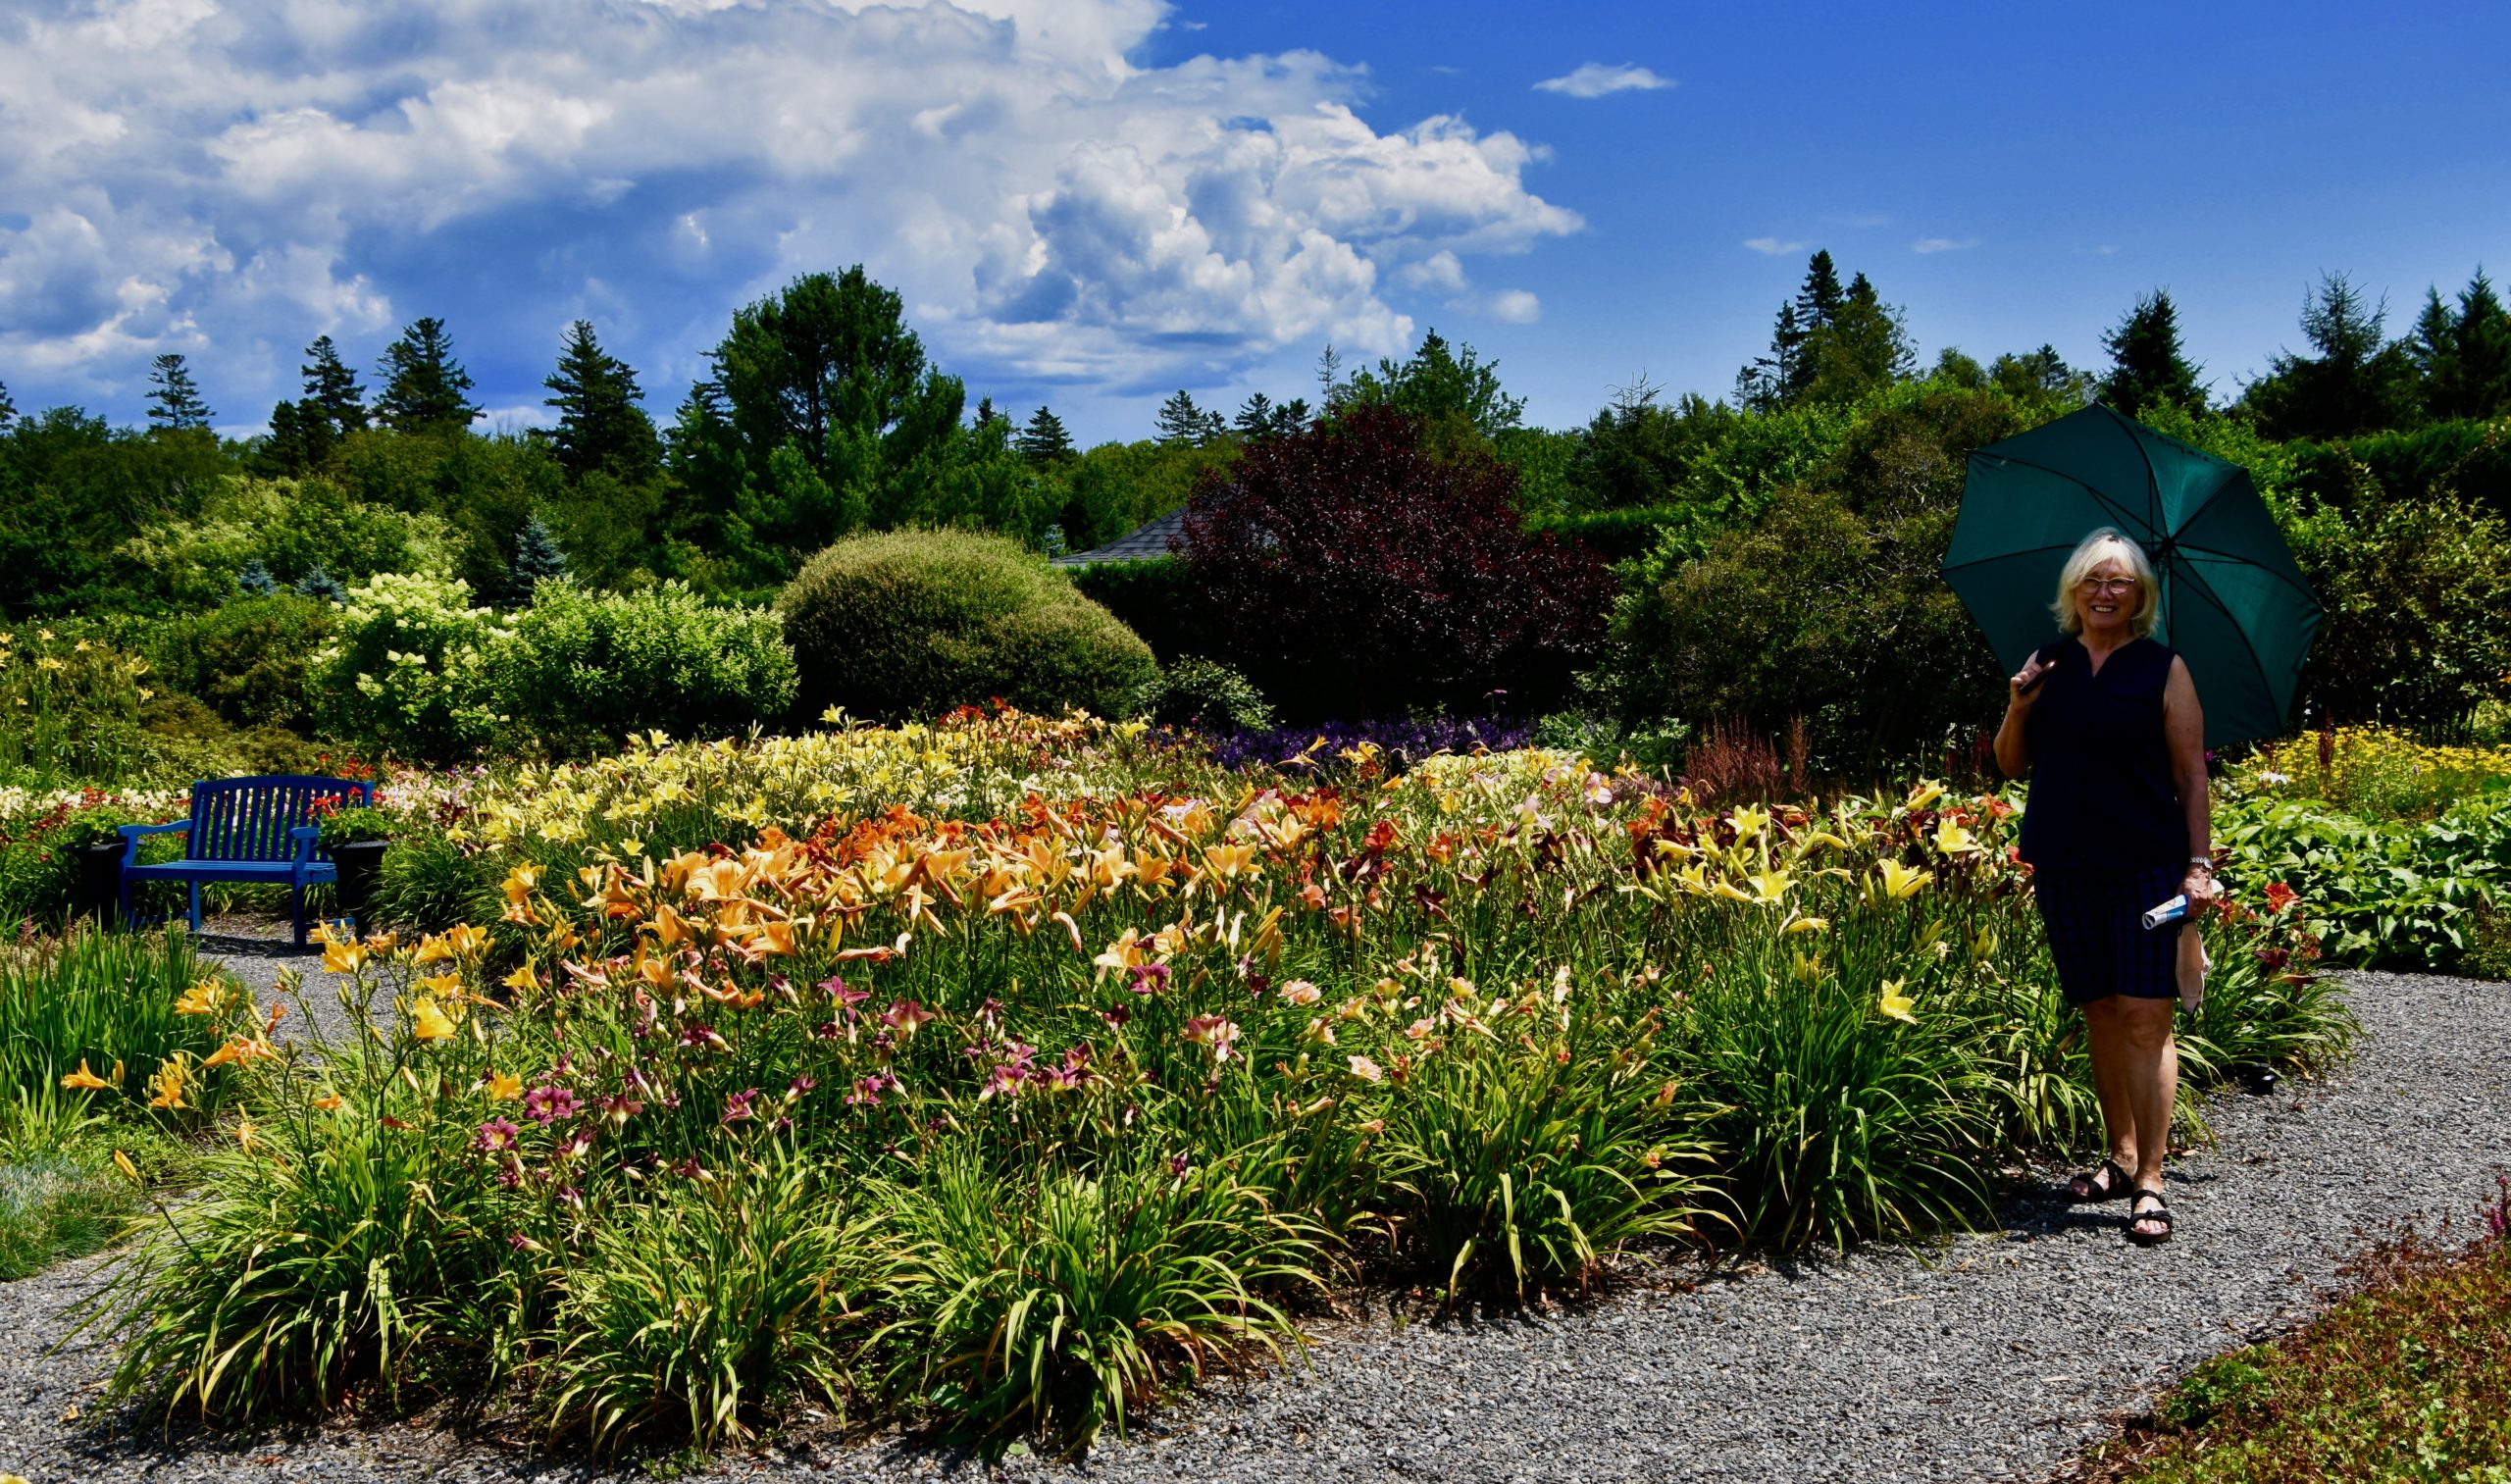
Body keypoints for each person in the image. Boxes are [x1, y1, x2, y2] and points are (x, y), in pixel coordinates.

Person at [1993, 527, 2213, 1246]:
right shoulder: (2048, 663)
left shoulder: (2163, 668)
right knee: (2099, 1012)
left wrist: (2198, 865)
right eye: (2092, 580)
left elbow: (2191, 774)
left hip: (2148, 867)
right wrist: (2020, 704)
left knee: (2147, 1018)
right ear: (2074, 591)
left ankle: (2150, 1178)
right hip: (2065, 866)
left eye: (2119, 581)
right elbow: (2008, 764)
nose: (2105, 592)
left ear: (2140, 594)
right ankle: (2119, 1155)